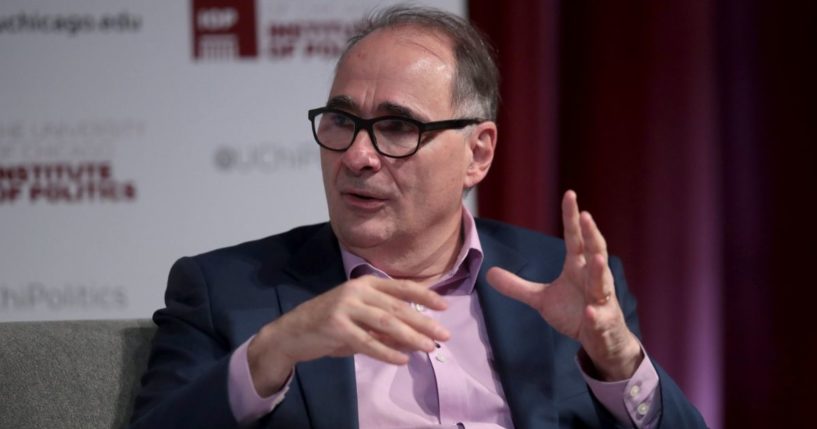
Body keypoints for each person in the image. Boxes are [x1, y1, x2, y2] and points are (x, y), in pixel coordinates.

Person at [130, 5, 706, 429]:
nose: (356, 156)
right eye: (340, 120)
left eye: (398, 127)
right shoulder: (225, 290)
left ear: (477, 153)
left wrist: (617, 359)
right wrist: (272, 352)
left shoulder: (557, 281)